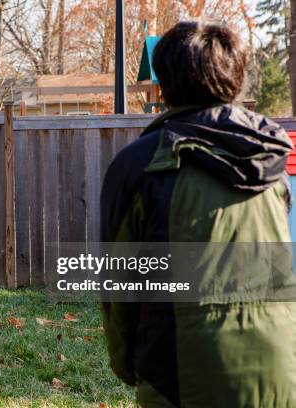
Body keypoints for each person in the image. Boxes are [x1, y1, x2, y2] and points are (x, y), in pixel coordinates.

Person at [100, 21, 296, 407]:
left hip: (181, 382)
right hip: (280, 371)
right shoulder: (271, 160)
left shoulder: (141, 164)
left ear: (166, 82)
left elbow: (120, 284)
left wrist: (127, 366)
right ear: (235, 78)